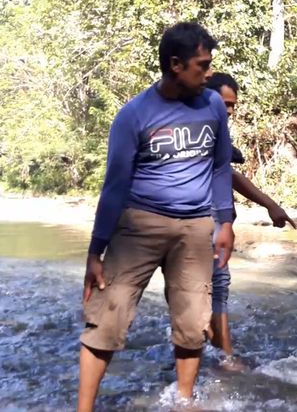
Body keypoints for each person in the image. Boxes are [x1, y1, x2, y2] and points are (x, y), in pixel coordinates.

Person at [78, 22, 235, 411]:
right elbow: (114, 185)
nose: (209, 72)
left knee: (192, 321)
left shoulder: (213, 105)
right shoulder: (134, 115)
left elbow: (219, 168)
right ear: (176, 65)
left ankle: (183, 402)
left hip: (195, 228)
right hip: (138, 226)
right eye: (202, 65)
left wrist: (226, 222)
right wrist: (96, 250)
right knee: (106, 319)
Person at [205, 72, 296, 368]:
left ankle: (212, 353)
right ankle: (224, 358)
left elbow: (229, 175)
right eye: (225, 103)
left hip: (218, 222)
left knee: (213, 288)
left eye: (233, 105)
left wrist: (271, 205)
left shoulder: (219, 131)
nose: (229, 111)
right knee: (214, 287)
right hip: (200, 222)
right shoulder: (196, 131)